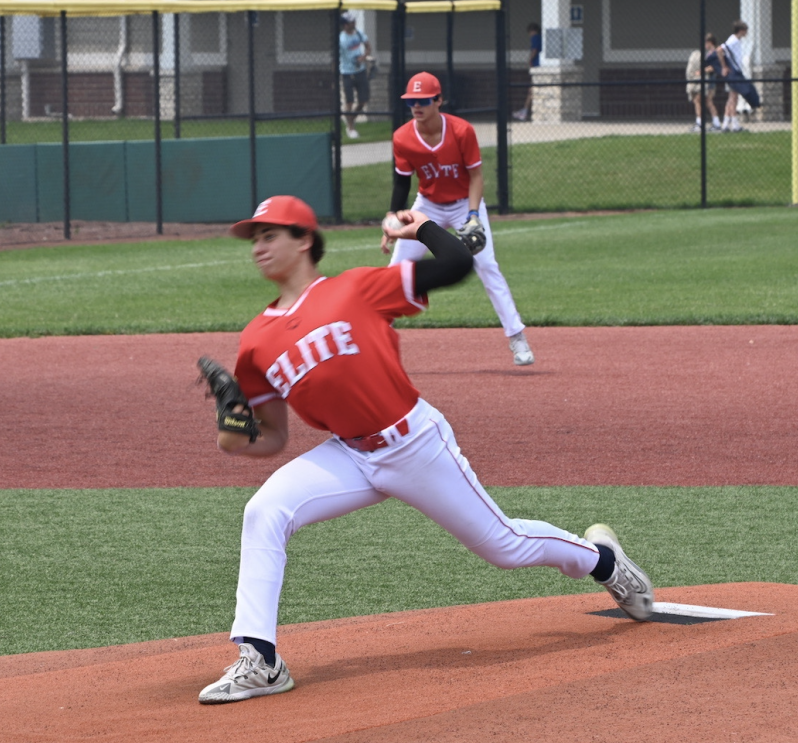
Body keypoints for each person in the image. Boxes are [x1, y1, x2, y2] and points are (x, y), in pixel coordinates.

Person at [195, 194, 655, 704]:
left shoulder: (356, 288)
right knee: (264, 509)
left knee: (503, 546)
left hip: (414, 443)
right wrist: (236, 434)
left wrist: (424, 227)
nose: (258, 246)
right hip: (349, 455)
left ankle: (605, 562)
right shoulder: (257, 340)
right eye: (254, 238)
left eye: (269, 234)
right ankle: (260, 659)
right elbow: (272, 436)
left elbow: (457, 264)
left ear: (304, 240)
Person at [383, 72, 535, 367]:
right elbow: (402, 182)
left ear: (438, 100)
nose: (417, 106)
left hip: (465, 203)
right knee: (395, 273)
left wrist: (475, 215)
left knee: (487, 265)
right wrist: (393, 217)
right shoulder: (402, 137)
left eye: (423, 100)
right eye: (411, 101)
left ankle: (517, 337)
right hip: (427, 206)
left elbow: (476, 176)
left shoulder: (461, 131)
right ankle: (373, 340)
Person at [716, 21, 758, 132]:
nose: (747, 33)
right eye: (745, 30)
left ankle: (726, 124)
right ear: (741, 31)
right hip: (733, 73)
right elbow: (720, 50)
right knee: (733, 98)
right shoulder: (733, 40)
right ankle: (734, 125)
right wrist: (724, 66)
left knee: (732, 98)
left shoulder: (735, 40)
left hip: (735, 72)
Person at [338, 11, 372, 140]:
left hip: (360, 71)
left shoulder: (358, 34)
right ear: (345, 25)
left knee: (363, 100)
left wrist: (364, 57)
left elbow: (368, 47)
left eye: (354, 21)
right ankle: (351, 128)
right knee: (349, 101)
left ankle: (350, 119)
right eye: (351, 22)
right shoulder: (341, 39)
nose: (353, 23)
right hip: (347, 72)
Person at [686, 34, 722, 132]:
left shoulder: (714, 53)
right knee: (701, 101)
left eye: (706, 42)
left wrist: (701, 71)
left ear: (710, 42)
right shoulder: (709, 53)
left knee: (706, 101)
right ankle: (705, 123)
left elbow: (714, 67)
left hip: (710, 82)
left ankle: (715, 123)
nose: (704, 45)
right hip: (706, 81)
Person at [513, 22, 542, 122]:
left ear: (532, 31)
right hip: (538, 66)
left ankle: (524, 111)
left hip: (537, 66)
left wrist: (530, 59)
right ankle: (524, 110)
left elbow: (534, 50)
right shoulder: (541, 38)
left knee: (532, 89)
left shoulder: (535, 37)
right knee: (531, 89)